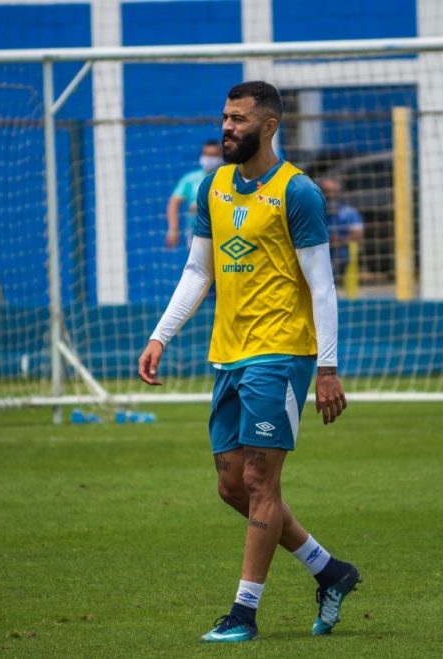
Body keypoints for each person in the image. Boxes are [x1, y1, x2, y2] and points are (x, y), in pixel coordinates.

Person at [138, 81, 360, 644]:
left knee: (261, 479)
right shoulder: (212, 187)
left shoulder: (298, 192)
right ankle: (329, 571)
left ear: (269, 126)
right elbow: (197, 271)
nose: (227, 127)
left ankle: (244, 612)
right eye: (224, 117)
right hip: (227, 353)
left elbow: (323, 284)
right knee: (232, 487)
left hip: (282, 353)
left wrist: (328, 368)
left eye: (238, 119)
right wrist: (160, 336)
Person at [165, 140, 223, 248]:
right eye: (206, 154)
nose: (209, 159)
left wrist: (202, 207)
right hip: (196, 234)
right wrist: (173, 229)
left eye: (214, 155)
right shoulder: (191, 179)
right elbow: (174, 201)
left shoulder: (227, 177)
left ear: (221, 157)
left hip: (222, 234)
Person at [319, 177, 364, 285]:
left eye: (334, 192)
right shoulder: (317, 213)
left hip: (343, 255)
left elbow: (357, 235)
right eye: (326, 192)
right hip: (321, 255)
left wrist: (338, 240)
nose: (330, 196)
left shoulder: (349, 212)